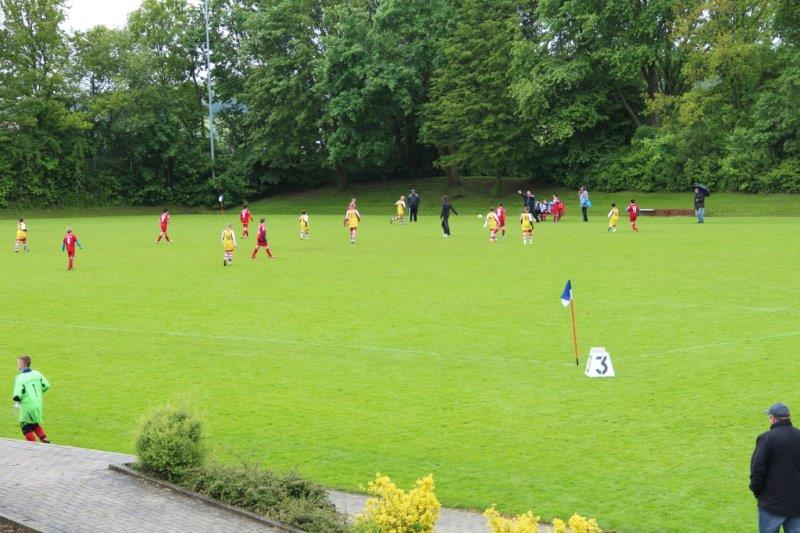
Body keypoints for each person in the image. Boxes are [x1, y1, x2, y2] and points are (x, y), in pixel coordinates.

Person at [750, 402, 800, 533]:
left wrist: (756, 491)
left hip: (771, 504)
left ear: (772, 418)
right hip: (797, 503)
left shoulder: (766, 438)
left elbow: (757, 470)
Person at [12, 355, 50, 443]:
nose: (17, 365)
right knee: (32, 422)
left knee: (25, 425)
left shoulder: (20, 377)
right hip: (38, 404)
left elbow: (17, 394)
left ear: (22, 364)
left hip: (27, 405)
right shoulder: (37, 373)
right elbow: (46, 385)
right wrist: (37, 392)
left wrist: (16, 403)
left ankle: (33, 445)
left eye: (18, 363)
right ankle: (44, 438)